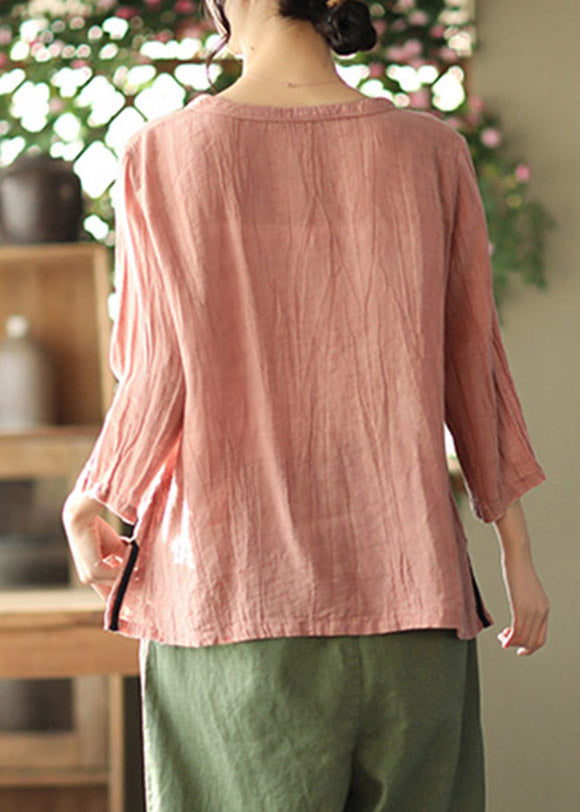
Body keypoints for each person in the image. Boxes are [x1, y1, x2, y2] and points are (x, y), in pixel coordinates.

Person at [62, 0, 550, 809]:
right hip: (413, 608)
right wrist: (516, 551)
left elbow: (157, 369)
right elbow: (473, 364)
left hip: (233, 604)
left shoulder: (164, 152)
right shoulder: (429, 149)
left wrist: (96, 495)